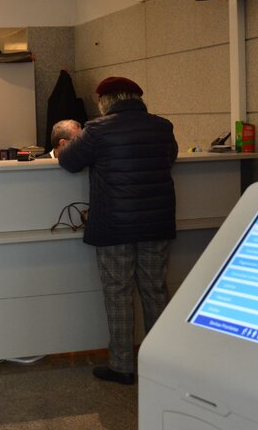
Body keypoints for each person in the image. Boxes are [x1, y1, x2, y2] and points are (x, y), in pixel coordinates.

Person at [57, 76, 177, 385]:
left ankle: (122, 365)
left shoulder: (98, 129)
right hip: (156, 223)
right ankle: (162, 366)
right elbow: (170, 159)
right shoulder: (162, 127)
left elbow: (69, 161)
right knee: (155, 291)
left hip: (115, 225)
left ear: (104, 102)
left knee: (118, 293)